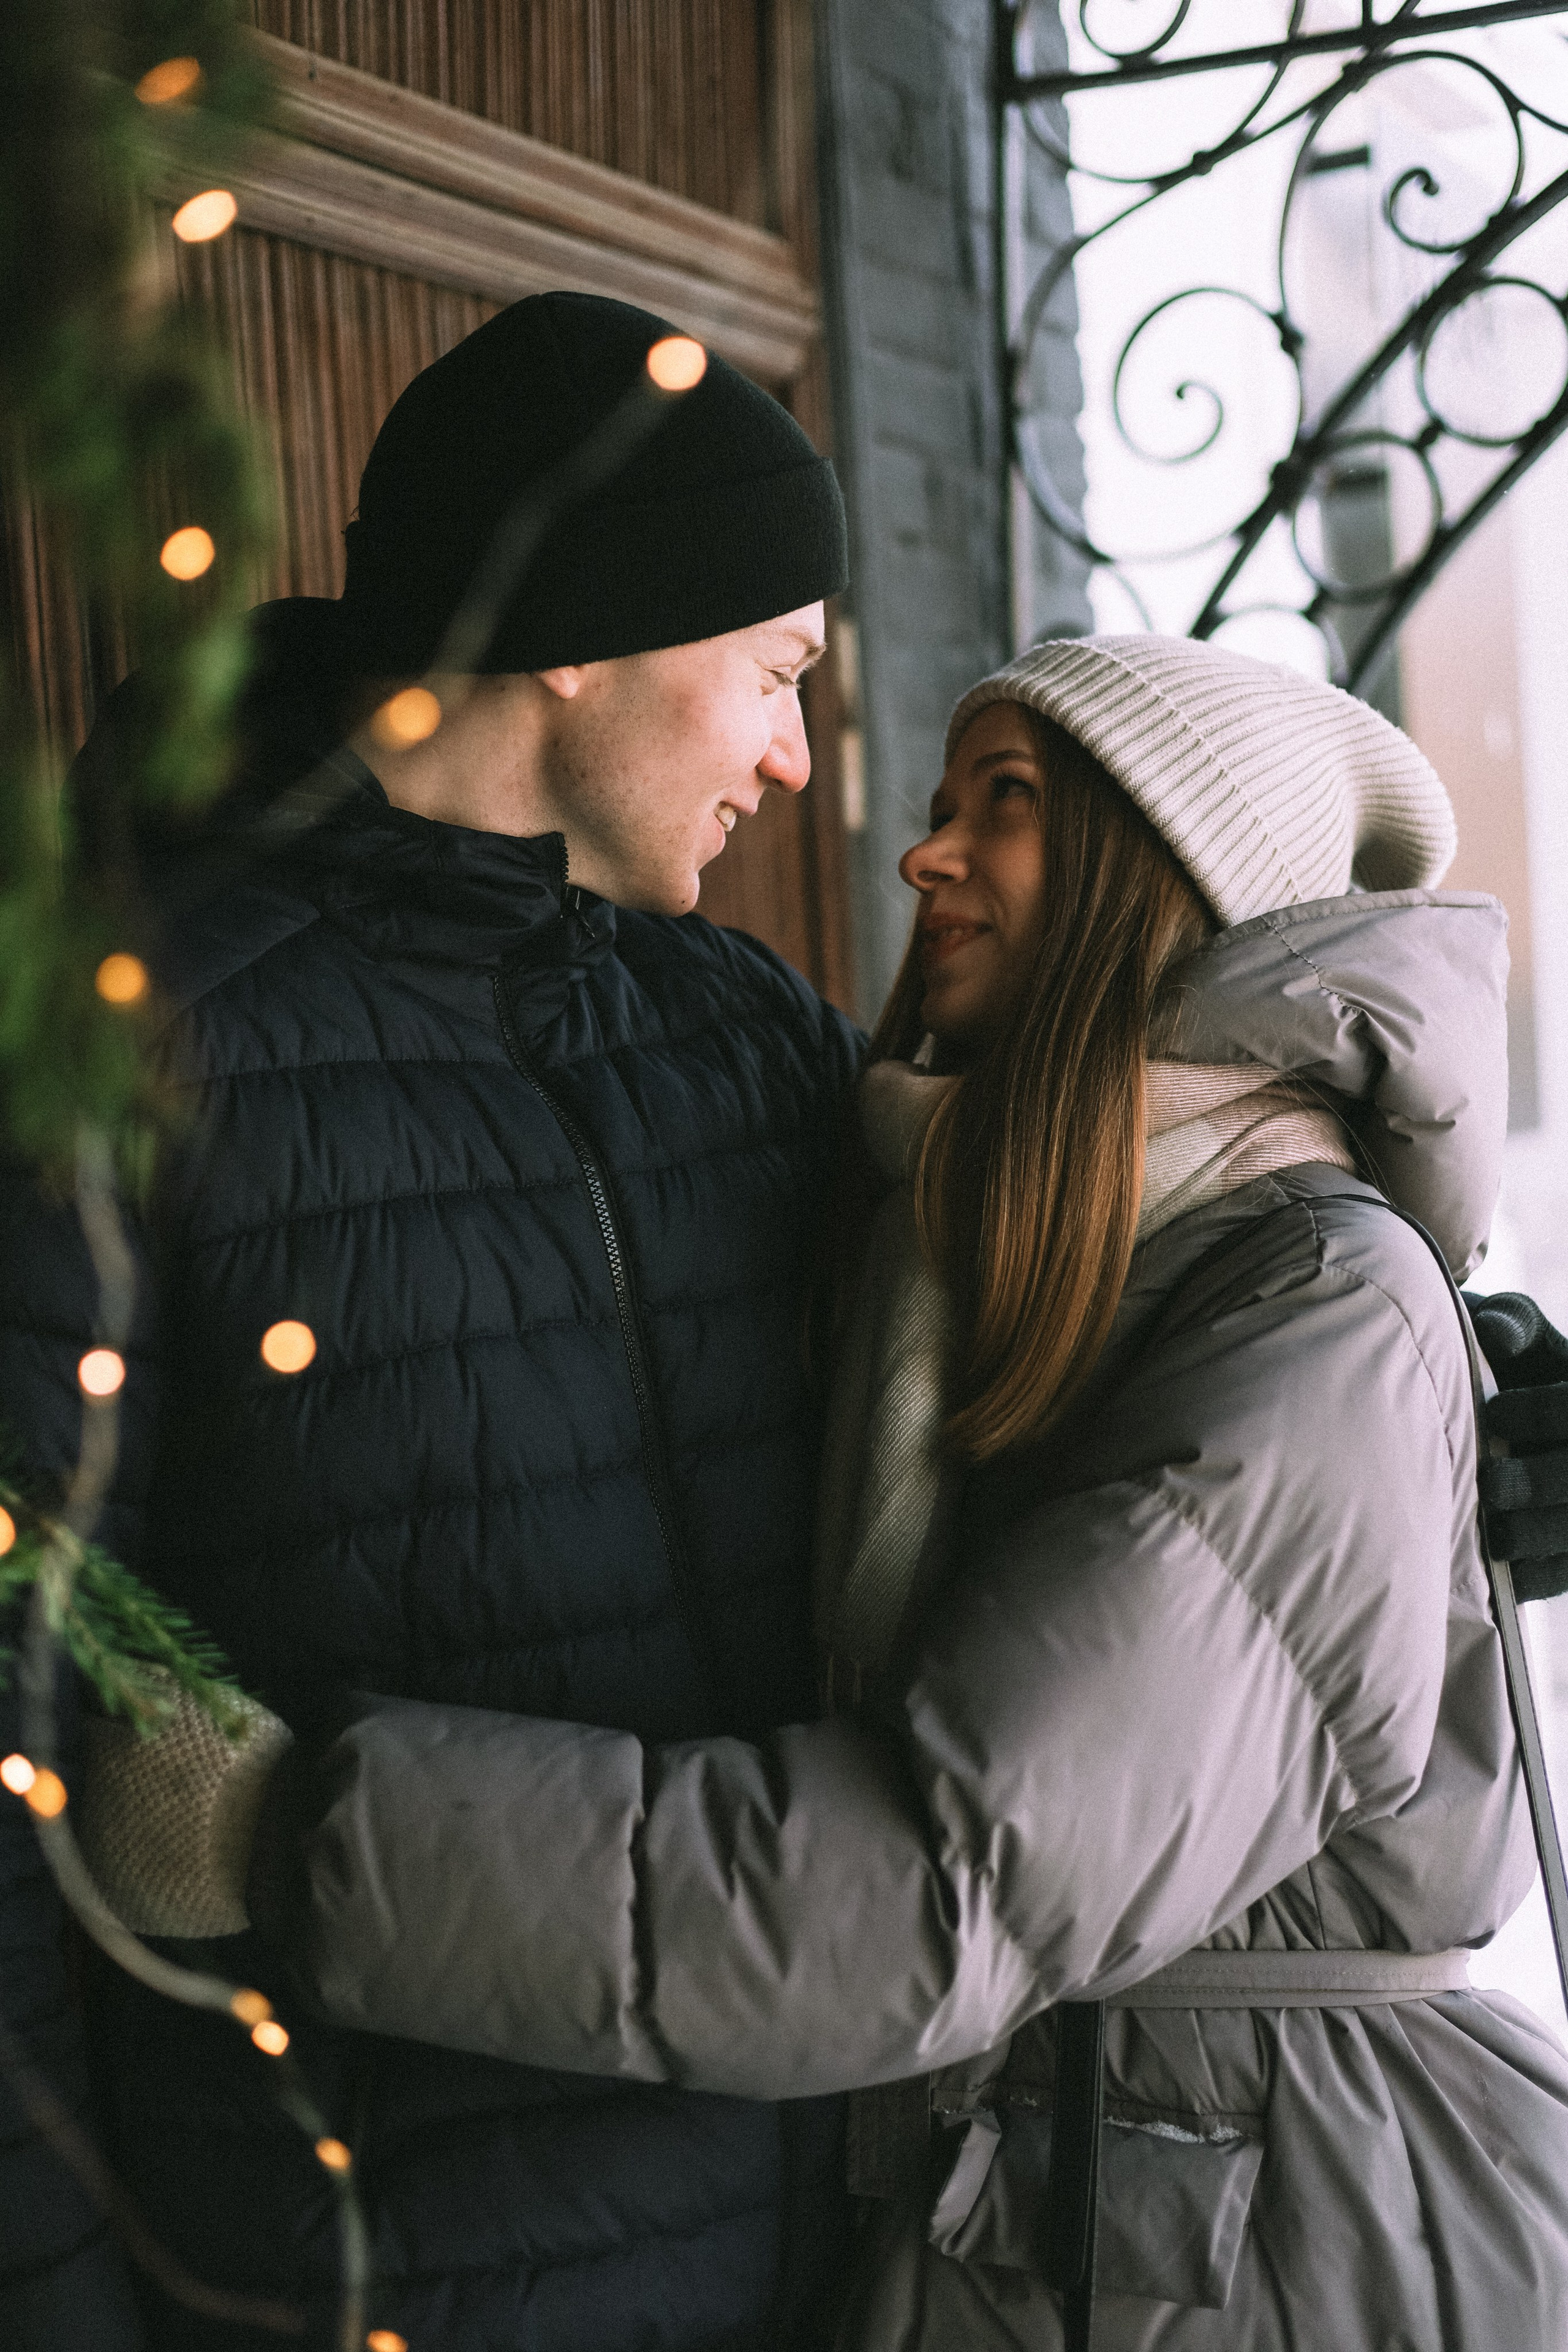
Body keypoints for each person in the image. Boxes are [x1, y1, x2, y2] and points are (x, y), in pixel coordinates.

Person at [232, 633, 1568, 2348]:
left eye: (1005, 806)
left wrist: (310, 1830)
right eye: (939, 805)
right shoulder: (1000, 1220)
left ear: (1165, 873)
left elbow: (937, 1889)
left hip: (1268, 2255)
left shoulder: (1314, 1311)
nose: (923, 853)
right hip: (1085, 2219)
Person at [0, 291, 861, 2350]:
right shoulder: (139, 1063)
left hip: (798, 2256)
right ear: (579, 632)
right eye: (774, 673)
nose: (796, 759)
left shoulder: (740, 1037)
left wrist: (1436, 1400)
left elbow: (1074, 1314)